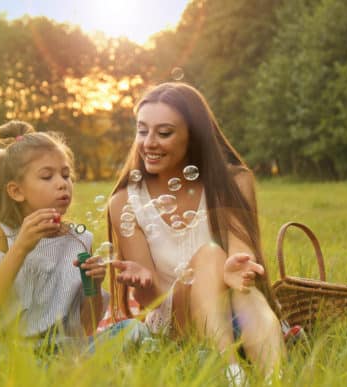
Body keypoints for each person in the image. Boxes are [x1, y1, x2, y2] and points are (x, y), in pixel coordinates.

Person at [106, 83, 284, 380]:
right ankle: (232, 373)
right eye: (142, 130)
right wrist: (142, 282)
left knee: (240, 286)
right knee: (212, 256)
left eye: (164, 133)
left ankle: (275, 380)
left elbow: (241, 244)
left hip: (233, 312)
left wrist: (237, 264)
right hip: (174, 324)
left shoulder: (234, 181)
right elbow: (152, 300)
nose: (149, 142)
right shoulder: (125, 201)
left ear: (194, 135)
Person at [0, 131, 107, 352]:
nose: (62, 184)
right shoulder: (0, 234)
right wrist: (20, 247)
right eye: (47, 177)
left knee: (133, 330)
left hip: (63, 347)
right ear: (16, 191)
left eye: (66, 175)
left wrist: (93, 286)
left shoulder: (81, 240)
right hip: (8, 350)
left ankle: (57, 366)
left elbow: (87, 328)